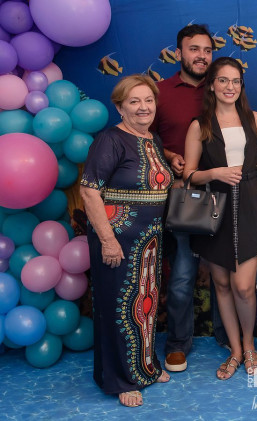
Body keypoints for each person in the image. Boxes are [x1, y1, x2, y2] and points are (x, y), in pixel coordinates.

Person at [80, 75, 173, 407]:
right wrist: (107, 240)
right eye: (134, 101)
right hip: (117, 239)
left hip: (149, 241)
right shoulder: (110, 140)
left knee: (144, 305)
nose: (143, 107)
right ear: (120, 107)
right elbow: (89, 191)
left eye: (148, 100)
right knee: (119, 308)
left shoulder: (152, 139)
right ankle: (121, 379)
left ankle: (146, 368)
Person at [183, 57, 257, 380]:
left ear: (241, 85)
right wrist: (215, 173)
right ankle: (235, 350)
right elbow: (189, 175)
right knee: (220, 283)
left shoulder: (254, 120)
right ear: (212, 85)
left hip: (250, 207)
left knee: (243, 287)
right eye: (223, 80)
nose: (229, 87)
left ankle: (249, 345)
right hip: (214, 210)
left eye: (235, 81)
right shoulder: (200, 126)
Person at [150, 23, 229, 373]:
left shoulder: (222, 88)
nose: (201, 56)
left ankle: (229, 336)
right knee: (183, 274)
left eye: (207, 50)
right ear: (179, 52)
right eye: (194, 49)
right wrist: (169, 155)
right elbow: (143, 137)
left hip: (225, 194)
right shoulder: (159, 92)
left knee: (226, 272)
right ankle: (178, 343)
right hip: (184, 196)